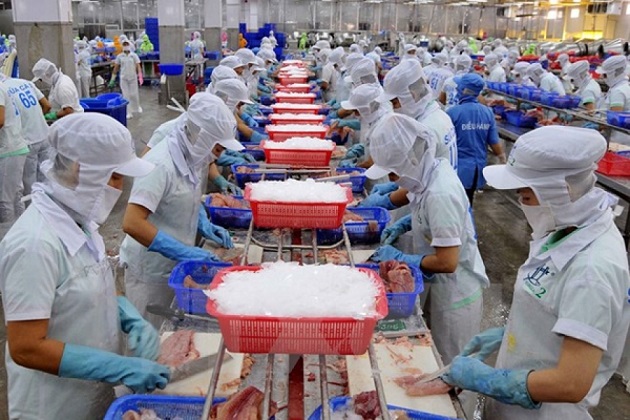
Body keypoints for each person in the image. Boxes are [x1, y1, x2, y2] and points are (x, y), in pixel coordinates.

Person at [443, 126, 630, 420]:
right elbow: (553, 306)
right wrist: (516, 332)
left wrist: (486, 379)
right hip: (512, 404)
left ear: (557, 193)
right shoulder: (566, 228)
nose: (522, 204)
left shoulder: (591, 269)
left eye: (525, 196)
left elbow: (571, 383)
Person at [0, 113, 168, 419]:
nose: (120, 187)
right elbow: (25, 347)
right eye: (115, 176)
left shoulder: (82, 223)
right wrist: (118, 367)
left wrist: (130, 317)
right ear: (81, 170)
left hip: (91, 396)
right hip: (53, 406)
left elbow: (94, 282)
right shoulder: (34, 244)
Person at [367, 113, 489, 365]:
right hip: (439, 285)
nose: (392, 179)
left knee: (450, 365)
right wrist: (405, 222)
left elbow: (447, 262)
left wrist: (400, 257)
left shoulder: (440, 193)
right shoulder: (429, 171)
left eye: (393, 173)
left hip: (456, 293)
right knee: (431, 356)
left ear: (409, 160)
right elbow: (422, 207)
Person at [120, 93, 240, 328]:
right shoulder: (160, 163)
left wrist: (202, 221)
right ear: (201, 136)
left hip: (174, 265)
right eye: (217, 148)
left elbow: (183, 196)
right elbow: (132, 222)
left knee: (174, 329)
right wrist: (184, 252)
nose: (219, 155)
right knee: (154, 334)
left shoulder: (192, 157)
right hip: (151, 271)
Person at [447, 73, 505, 204]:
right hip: (477, 170)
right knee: (468, 204)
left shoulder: (453, 112)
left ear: (464, 90)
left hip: (457, 169)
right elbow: (494, 141)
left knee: (456, 205)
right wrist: (502, 158)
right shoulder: (487, 112)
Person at [1, 75, 51, 198]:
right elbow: (47, 105)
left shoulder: (3, 89)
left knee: (29, 187)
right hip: (44, 135)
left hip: (27, 140)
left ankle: (31, 209)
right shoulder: (25, 82)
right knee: (46, 180)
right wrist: (36, 118)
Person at [0, 79, 27, 223]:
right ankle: (22, 228)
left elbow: (0, 120)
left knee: (5, 200)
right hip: (15, 147)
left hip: (8, 149)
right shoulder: (3, 87)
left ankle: (7, 232)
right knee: (16, 196)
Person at [110, 40, 143, 119]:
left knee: (134, 94)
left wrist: (140, 76)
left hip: (133, 78)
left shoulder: (134, 55)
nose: (125, 46)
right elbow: (116, 68)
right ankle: (128, 112)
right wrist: (112, 79)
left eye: (127, 44)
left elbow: (138, 66)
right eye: (124, 45)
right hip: (123, 78)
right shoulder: (120, 56)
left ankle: (136, 107)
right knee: (126, 95)